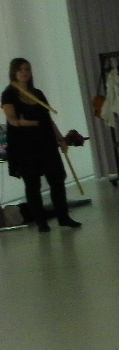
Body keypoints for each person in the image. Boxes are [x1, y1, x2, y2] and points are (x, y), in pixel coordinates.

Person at [2, 58, 80, 231]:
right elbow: (11, 119)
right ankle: (41, 222)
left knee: (57, 179)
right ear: (14, 72)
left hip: (46, 142)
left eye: (27, 69)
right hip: (24, 146)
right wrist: (22, 123)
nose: (24, 73)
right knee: (33, 184)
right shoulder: (9, 94)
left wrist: (60, 139)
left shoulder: (37, 93)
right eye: (20, 70)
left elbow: (48, 120)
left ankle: (63, 217)